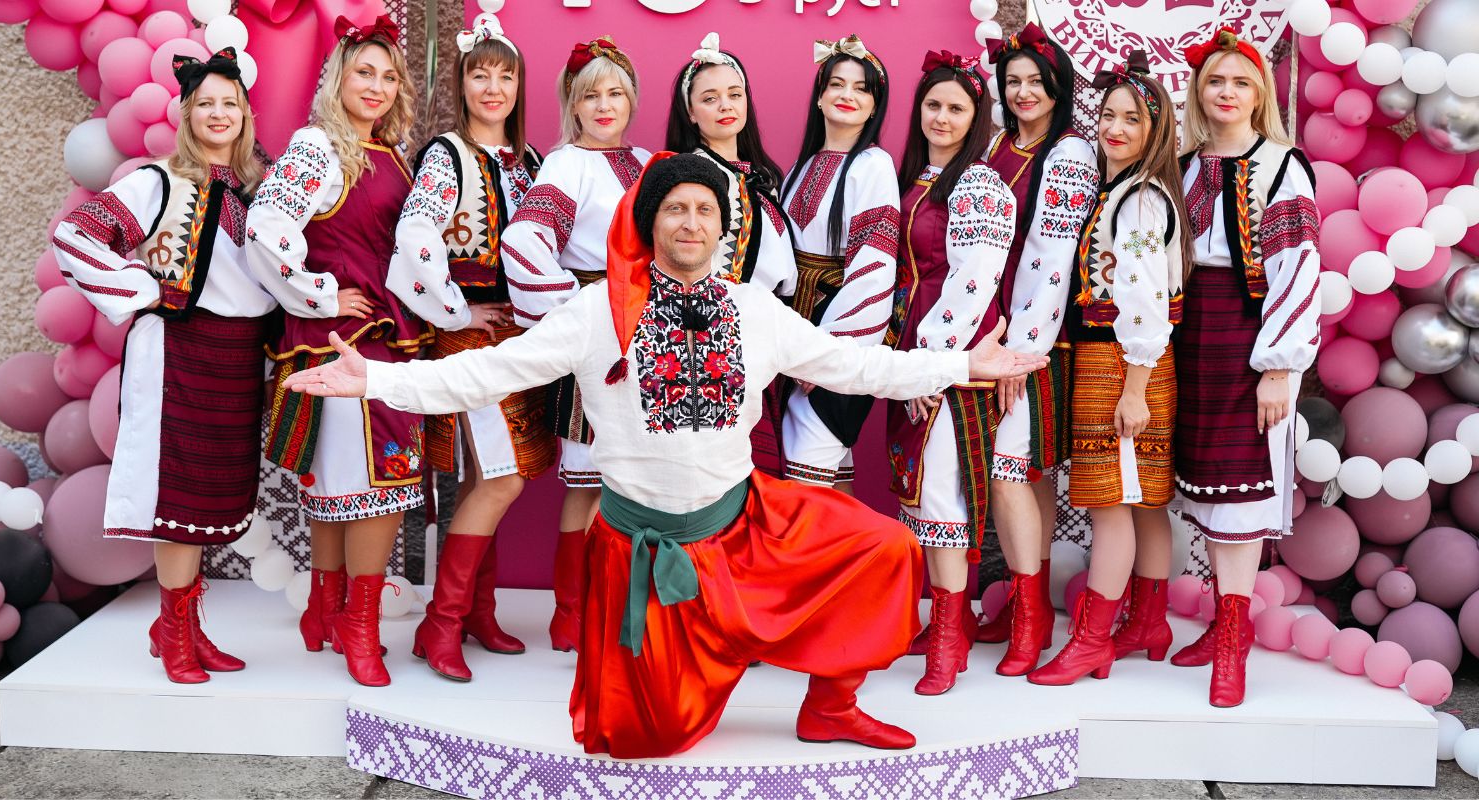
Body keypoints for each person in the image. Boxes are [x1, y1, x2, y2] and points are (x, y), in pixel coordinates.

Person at [281, 153, 1051, 758]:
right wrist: (374, 379)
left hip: (747, 527)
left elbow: (857, 365)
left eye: (705, 210)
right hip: (644, 554)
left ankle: (831, 706)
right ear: (649, 223)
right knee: (643, 741)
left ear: (722, 228)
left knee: (881, 549)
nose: (690, 221)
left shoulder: (754, 309)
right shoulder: (595, 313)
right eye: (675, 208)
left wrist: (962, 364)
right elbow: (484, 372)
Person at [51, 49, 272, 685]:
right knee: (178, 494)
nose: (219, 113)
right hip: (179, 352)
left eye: (230, 103)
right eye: (206, 104)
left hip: (236, 357)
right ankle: (174, 631)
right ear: (186, 114)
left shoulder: (257, 188)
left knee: (210, 498)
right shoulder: (157, 183)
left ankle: (184, 625)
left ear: (245, 114)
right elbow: (75, 236)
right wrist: (143, 289)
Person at [246, 15, 421, 687]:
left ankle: (324, 611)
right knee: (376, 486)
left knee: (347, 484)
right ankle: (359, 628)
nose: (376, 86)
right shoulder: (320, 146)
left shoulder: (389, 151)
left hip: (377, 341)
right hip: (348, 342)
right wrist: (320, 293)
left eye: (388, 76)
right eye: (363, 72)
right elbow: (265, 227)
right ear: (337, 79)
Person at [1027, 52, 1190, 686]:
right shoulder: (1123, 192)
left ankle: (1091, 641)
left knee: (1112, 502)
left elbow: (1145, 298)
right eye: (1108, 116)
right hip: (1128, 360)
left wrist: (1135, 388)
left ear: (1156, 130)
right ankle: (1148, 622)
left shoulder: (1141, 201)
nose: (1115, 129)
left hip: (1123, 362)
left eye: (1132, 119)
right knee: (1142, 501)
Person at [394, 10, 546, 682]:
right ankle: (443, 619)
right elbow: (414, 237)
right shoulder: (447, 154)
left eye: (504, 77)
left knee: (493, 479)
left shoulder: (530, 162)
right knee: (500, 476)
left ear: (519, 87)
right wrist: (456, 306)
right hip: (472, 338)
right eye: (480, 75)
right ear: (462, 84)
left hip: (520, 340)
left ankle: (478, 611)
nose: (492, 88)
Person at [1171, 28, 1320, 708]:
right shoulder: (1183, 165)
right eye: (1215, 81)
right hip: (1189, 330)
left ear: (1260, 94)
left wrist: (1278, 366)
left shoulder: (1282, 166)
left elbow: (1298, 269)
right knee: (1205, 480)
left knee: (1241, 484)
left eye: (1240, 82)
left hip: (1249, 329)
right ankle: (1223, 620)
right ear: (1198, 92)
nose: (1226, 92)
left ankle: (1233, 641)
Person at [499, 36, 651, 654]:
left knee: (633, 478)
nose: (605, 105)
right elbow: (524, 240)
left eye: (616, 93)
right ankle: (571, 612)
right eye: (591, 95)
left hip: (648, 330)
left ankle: (617, 607)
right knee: (589, 478)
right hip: (598, 332)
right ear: (573, 104)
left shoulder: (646, 161)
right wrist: (578, 309)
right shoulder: (565, 164)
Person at [886, 50, 1015, 695]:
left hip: (951, 353)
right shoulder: (915, 179)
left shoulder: (979, 186)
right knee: (917, 492)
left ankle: (947, 641)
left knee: (941, 494)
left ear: (975, 118)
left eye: (956, 108)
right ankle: (950, 619)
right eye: (932, 105)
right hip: (910, 350)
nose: (941, 117)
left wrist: (930, 366)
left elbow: (972, 282)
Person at [977, 23, 1100, 675]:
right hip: (995, 333)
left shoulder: (1070, 153)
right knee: (1026, 476)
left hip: (1036, 338)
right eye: (1013, 81)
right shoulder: (1002, 143)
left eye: (1037, 82)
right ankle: (1031, 606)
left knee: (1008, 472)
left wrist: (1021, 354)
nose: (1024, 92)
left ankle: (1029, 620)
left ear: (1059, 88)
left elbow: (1053, 262)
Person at [663, 31, 797, 475]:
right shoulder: (691, 177)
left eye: (734, 94)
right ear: (690, 111)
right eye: (710, 98)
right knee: (721, 479)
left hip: (762, 341)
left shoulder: (760, 176)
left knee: (760, 484)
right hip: (712, 346)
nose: (725, 106)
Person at [780, 35, 899, 493]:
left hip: (839, 331)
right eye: (837, 84)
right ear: (819, 96)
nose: (847, 95)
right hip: (797, 330)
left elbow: (874, 265)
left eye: (861, 88)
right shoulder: (802, 165)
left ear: (874, 106)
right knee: (825, 472)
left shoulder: (873, 165)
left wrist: (828, 352)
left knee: (808, 472)